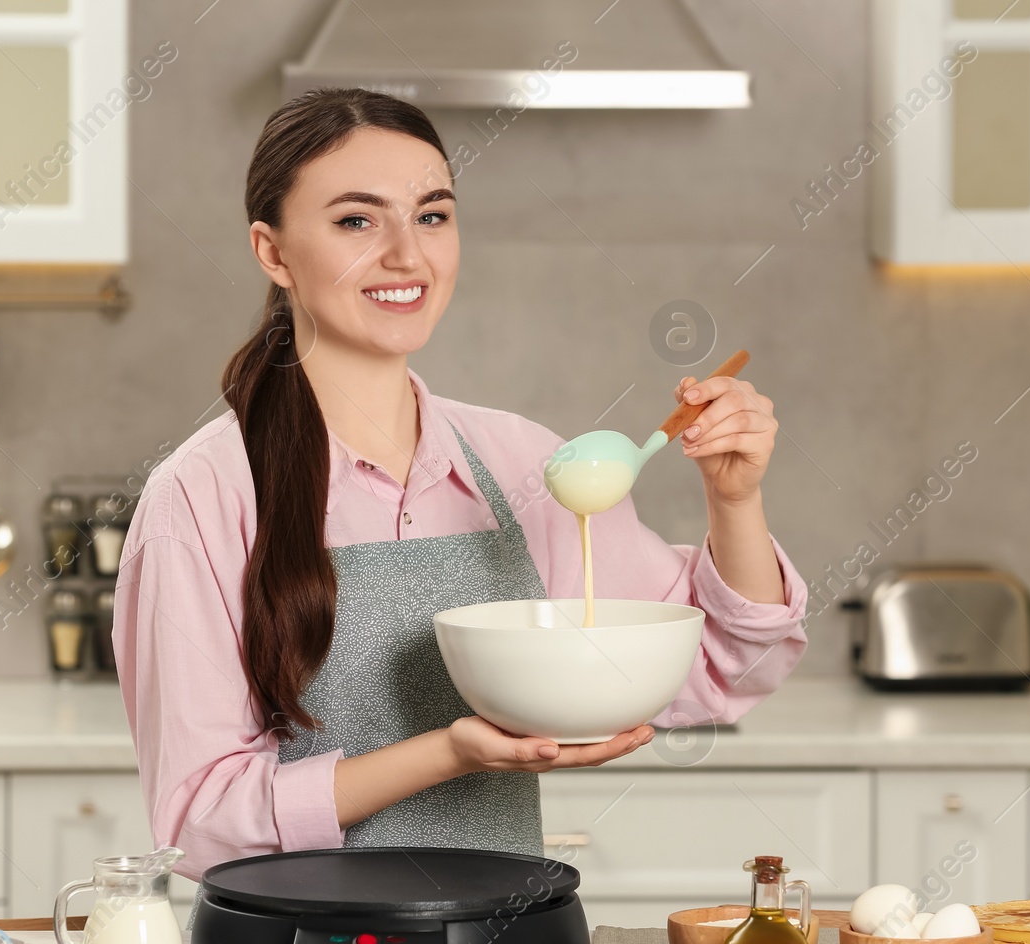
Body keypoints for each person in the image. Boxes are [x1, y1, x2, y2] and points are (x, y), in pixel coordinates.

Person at [114, 89, 807, 880]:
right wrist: (446, 752)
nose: (408, 256)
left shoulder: (526, 466)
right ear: (272, 252)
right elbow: (200, 823)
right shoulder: (202, 496)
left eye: (433, 215)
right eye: (356, 220)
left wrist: (735, 498)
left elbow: (717, 664)